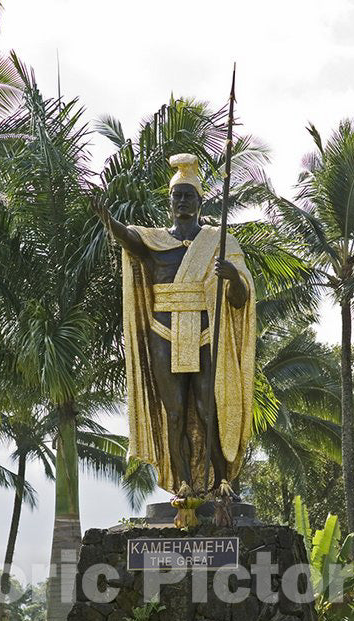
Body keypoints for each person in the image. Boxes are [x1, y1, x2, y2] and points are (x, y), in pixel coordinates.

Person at [98, 153, 256, 494]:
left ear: (200, 202)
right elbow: (128, 238)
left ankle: (222, 480)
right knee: (174, 413)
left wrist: (233, 278)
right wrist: (108, 220)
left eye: (189, 195)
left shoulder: (219, 241)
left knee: (206, 408)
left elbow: (241, 299)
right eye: (177, 195)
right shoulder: (156, 241)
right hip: (163, 333)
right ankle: (183, 482)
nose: (182, 201)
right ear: (169, 202)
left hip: (203, 331)